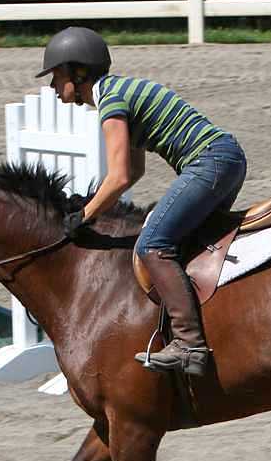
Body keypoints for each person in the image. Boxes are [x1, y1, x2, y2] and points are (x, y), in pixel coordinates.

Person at [37, 26, 247, 377]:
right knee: (189, 244)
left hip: (210, 162)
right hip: (225, 161)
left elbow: (118, 177)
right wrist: (91, 203)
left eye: (57, 76)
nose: (53, 87)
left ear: (80, 72)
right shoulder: (120, 91)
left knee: (152, 245)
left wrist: (84, 215)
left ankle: (190, 345)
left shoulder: (112, 101)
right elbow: (133, 172)